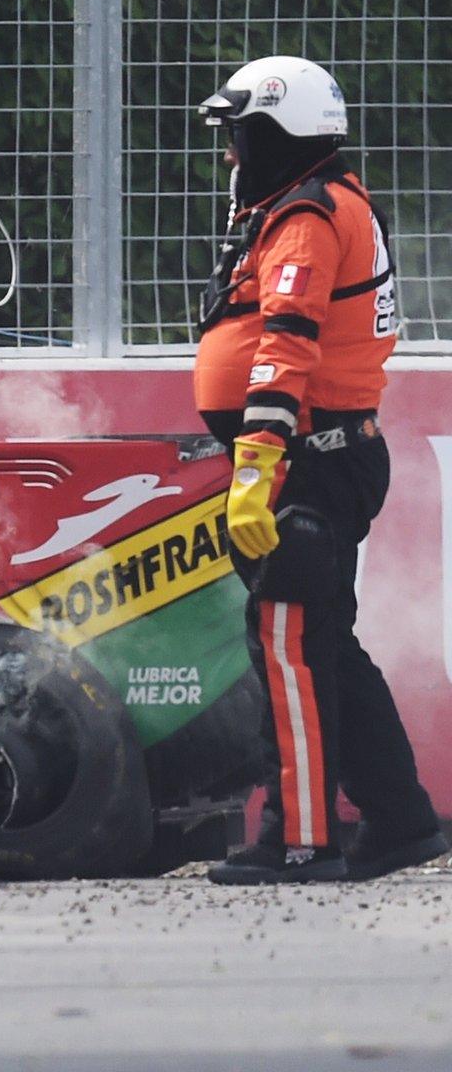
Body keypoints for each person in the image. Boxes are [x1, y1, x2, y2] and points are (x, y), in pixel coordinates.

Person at [191, 55, 445, 884]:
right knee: (323, 642)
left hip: (308, 462)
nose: (231, 155)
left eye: (238, 136)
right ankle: (402, 819)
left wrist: (257, 465)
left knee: (287, 647)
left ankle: (300, 840)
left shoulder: (307, 215)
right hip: (328, 456)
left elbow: (286, 344)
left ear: (276, 132)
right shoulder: (319, 202)